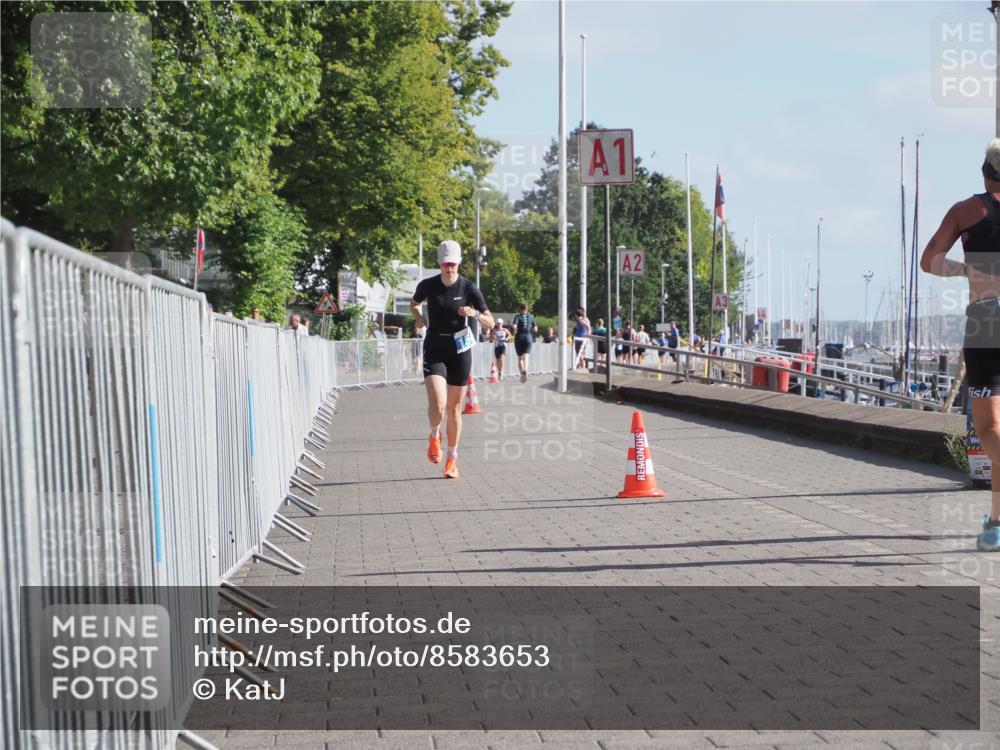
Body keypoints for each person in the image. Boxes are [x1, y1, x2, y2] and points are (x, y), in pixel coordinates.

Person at [920, 138, 1000, 551]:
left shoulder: (967, 210)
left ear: (985, 173)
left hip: (988, 318)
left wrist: (969, 269)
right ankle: (995, 521)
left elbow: (930, 260)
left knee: (989, 427)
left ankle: (997, 526)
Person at [410, 240, 494, 479]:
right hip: (435, 346)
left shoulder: (468, 288)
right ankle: (434, 434)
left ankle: (452, 460)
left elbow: (491, 321)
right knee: (438, 404)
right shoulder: (428, 285)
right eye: (446, 264)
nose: (450, 269)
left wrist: (475, 313)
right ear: (440, 263)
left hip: (460, 350)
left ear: (459, 264)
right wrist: (418, 317)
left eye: (454, 264)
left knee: (455, 409)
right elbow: (414, 304)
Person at [513, 303, 537, 383]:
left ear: (520, 309)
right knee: (526, 356)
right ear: (527, 309)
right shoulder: (531, 317)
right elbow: (535, 329)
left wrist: (515, 329)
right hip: (528, 337)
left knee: (520, 358)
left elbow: (514, 326)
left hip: (519, 337)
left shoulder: (517, 317)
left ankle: (522, 374)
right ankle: (525, 370)